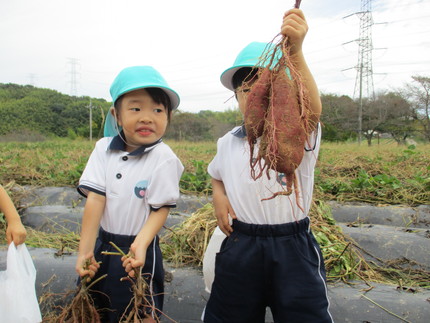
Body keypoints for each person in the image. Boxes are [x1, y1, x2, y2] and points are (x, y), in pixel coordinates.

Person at [203, 9, 333, 323]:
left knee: (304, 315)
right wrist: (219, 198)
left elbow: (312, 109)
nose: (255, 96)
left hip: (293, 247)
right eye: (245, 90)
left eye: (265, 86)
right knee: (230, 315)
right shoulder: (228, 142)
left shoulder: (299, 133)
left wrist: (297, 52)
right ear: (236, 97)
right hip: (242, 244)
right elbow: (215, 176)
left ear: (286, 93)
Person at [76, 66, 184, 322]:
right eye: (135, 109)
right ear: (117, 116)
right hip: (103, 244)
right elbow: (96, 198)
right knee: (95, 305)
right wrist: (85, 252)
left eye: (157, 110)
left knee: (139, 311)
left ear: (168, 116)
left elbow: (160, 208)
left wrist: (142, 243)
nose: (147, 117)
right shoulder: (103, 149)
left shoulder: (163, 157)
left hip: (138, 252)